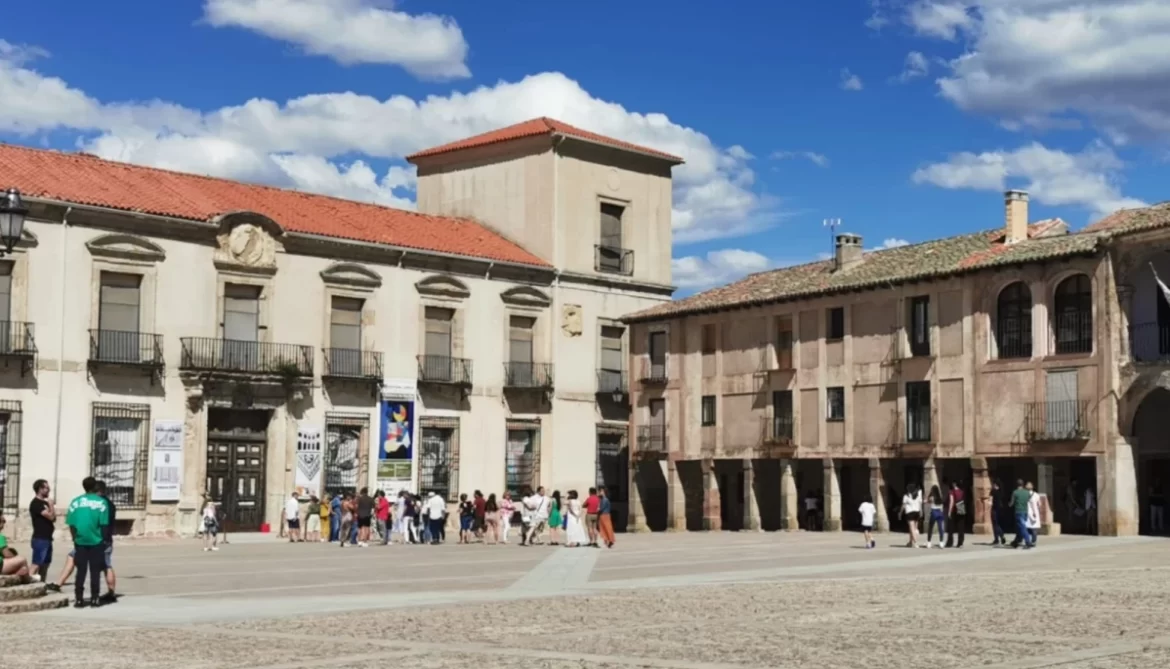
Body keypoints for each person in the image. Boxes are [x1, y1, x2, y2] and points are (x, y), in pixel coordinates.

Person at [65, 476, 109, 608]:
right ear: (95, 487)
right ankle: (95, 598)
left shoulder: (75, 502)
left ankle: (79, 599)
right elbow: (104, 524)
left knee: (81, 571)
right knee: (95, 571)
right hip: (96, 541)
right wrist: (104, 540)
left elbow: (71, 524)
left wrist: (74, 538)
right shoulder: (101, 502)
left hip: (80, 540)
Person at [93, 480, 118, 603]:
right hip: (108, 538)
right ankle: (111, 592)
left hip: (98, 538)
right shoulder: (110, 504)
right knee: (107, 565)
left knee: (103, 566)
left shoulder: (99, 504)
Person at [28, 478, 56, 583]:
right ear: (40, 489)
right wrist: (51, 506)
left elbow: (54, 518)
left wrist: (50, 507)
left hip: (47, 538)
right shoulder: (36, 504)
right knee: (37, 563)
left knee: (45, 564)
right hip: (40, 538)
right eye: (46, 488)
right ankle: (28, 582)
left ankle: (41, 584)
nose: (48, 490)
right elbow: (51, 517)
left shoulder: (44, 503)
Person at [1010, 479, 1034, 549]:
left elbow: (1011, 503)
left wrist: (1008, 504)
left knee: (1022, 527)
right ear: (1023, 484)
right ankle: (1016, 541)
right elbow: (1029, 499)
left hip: (1018, 511)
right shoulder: (1027, 492)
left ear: (1016, 485)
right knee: (1019, 527)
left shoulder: (1015, 492)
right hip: (1025, 511)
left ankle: (1028, 542)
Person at [899, 483, 922, 548]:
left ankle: (915, 542)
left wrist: (900, 513)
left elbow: (903, 505)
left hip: (910, 513)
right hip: (916, 512)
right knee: (913, 528)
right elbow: (919, 504)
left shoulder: (906, 496)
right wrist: (920, 511)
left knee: (912, 528)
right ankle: (910, 542)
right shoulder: (918, 495)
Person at [945, 480, 966, 549]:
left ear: (954, 484)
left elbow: (951, 501)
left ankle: (950, 542)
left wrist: (949, 512)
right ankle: (960, 543)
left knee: (951, 527)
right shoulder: (961, 491)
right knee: (961, 527)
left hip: (954, 510)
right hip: (961, 509)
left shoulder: (951, 491)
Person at [925, 484, 946, 549]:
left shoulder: (932, 497)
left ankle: (929, 542)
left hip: (934, 512)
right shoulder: (940, 497)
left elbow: (926, 501)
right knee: (940, 528)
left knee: (930, 528)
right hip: (940, 512)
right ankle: (941, 543)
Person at [988, 479, 1006, 546]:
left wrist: (988, 508)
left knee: (995, 524)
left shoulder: (993, 491)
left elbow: (990, 501)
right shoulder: (1001, 491)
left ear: (995, 484)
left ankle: (999, 537)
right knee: (998, 523)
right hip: (1000, 509)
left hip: (994, 509)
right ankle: (998, 538)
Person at [1025, 481, 1041, 547]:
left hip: (1027, 512)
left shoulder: (1024, 494)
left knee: (1027, 528)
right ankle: (1033, 541)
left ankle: (1028, 541)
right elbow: (1039, 504)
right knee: (1034, 528)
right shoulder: (1036, 495)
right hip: (1035, 512)